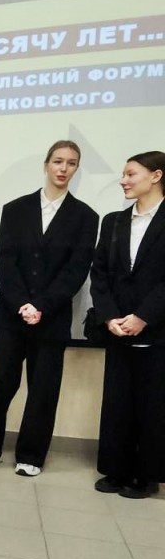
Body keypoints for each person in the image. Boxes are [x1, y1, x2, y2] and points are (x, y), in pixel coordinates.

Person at [0, 141, 97, 477]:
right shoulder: (15, 209)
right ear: (46, 164)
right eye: (57, 161)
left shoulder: (85, 217)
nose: (63, 168)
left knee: (43, 390)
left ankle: (31, 456)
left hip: (52, 319)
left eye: (71, 163)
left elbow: (76, 270)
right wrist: (23, 303)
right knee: (0, 386)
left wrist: (41, 305)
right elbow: (6, 261)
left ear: (76, 169)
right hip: (12, 314)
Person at [89, 151, 165, 499]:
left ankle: (145, 474)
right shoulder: (114, 221)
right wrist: (109, 316)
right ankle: (116, 468)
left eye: (131, 173)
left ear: (156, 176)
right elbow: (100, 273)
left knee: (151, 403)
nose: (124, 180)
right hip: (117, 325)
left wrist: (144, 316)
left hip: (157, 327)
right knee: (117, 400)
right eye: (123, 174)